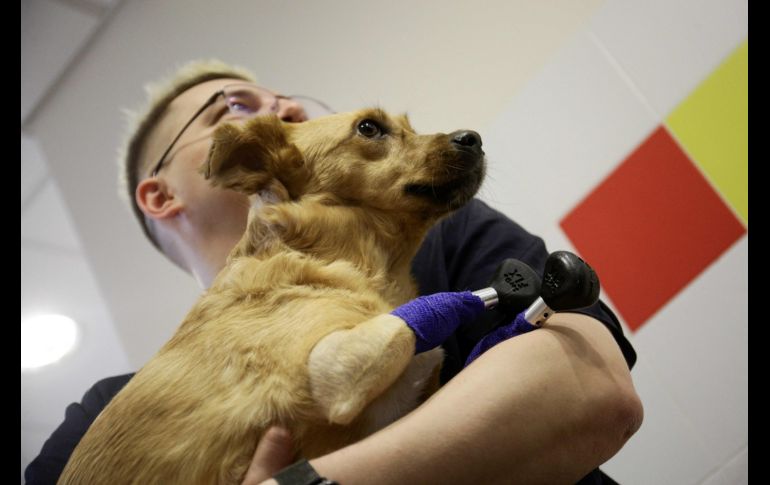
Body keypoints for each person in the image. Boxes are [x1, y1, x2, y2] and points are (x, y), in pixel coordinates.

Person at [25, 59, 642, 485]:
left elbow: (593, 390)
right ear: (161, 195)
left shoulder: (440, 237)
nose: (282, 107)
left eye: (287, 101)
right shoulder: (104, 412)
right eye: (234, 107)